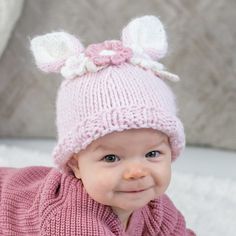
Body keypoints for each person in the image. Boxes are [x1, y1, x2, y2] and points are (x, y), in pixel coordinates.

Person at [0, 15, 195, 235]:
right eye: (111, 158)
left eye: (152, 153)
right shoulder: (72, 219)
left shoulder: (154, 206)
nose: (136, 172)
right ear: (75, 165)